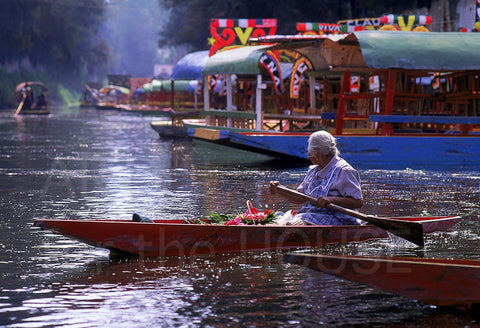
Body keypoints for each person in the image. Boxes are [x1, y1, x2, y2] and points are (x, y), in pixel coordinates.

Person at [270, 130, 363, 225]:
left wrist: (331, 199)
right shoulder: (313, 170)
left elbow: (357, 202)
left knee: (294, 223)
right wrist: (280, 190)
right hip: (311, 215)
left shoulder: (344, 170)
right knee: (278, 216)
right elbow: (300, 198)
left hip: (337, 218)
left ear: (317, 152)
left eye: (309, 151)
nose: (309, 155)